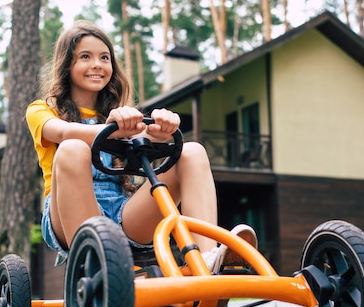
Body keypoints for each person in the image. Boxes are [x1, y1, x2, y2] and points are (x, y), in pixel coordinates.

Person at [26, 20, 257, 272]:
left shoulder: (121, 115)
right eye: (85, 56)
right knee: (73, 148)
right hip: (65, 213)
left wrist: (163, 129)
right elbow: (63, 131)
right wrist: (114, 130)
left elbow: (146, 138)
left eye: (105, 58)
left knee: (192, 151)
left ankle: (205, 260)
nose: (97, 64)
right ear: (66, 65)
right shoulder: (42, 110)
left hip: (123, 212)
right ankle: (96, 264)